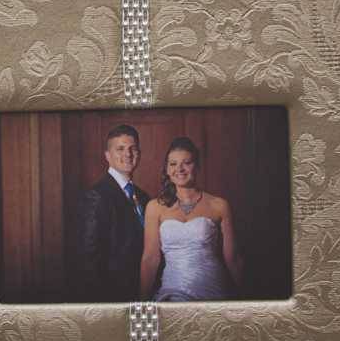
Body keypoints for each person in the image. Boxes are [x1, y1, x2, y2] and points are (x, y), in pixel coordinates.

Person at [139, 136, 241, 301]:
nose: (179, 169)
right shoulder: (154, 207)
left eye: (186, 163)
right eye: (173, 164)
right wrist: (142, 301)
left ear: (197, 166)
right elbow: (150, 259)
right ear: (167, 169)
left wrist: (249, 301)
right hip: (172, 293)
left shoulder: (219, 205)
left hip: (213, 292)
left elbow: (233, 258)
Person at [78, 124, 150, 301]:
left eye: (133, 148)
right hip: (112, 295)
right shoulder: (97, 196)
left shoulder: (144, 197)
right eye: (120, 149)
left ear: (139, 153)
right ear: (107, 156)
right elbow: (90, 257)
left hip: (142, 291)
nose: (128, 154)